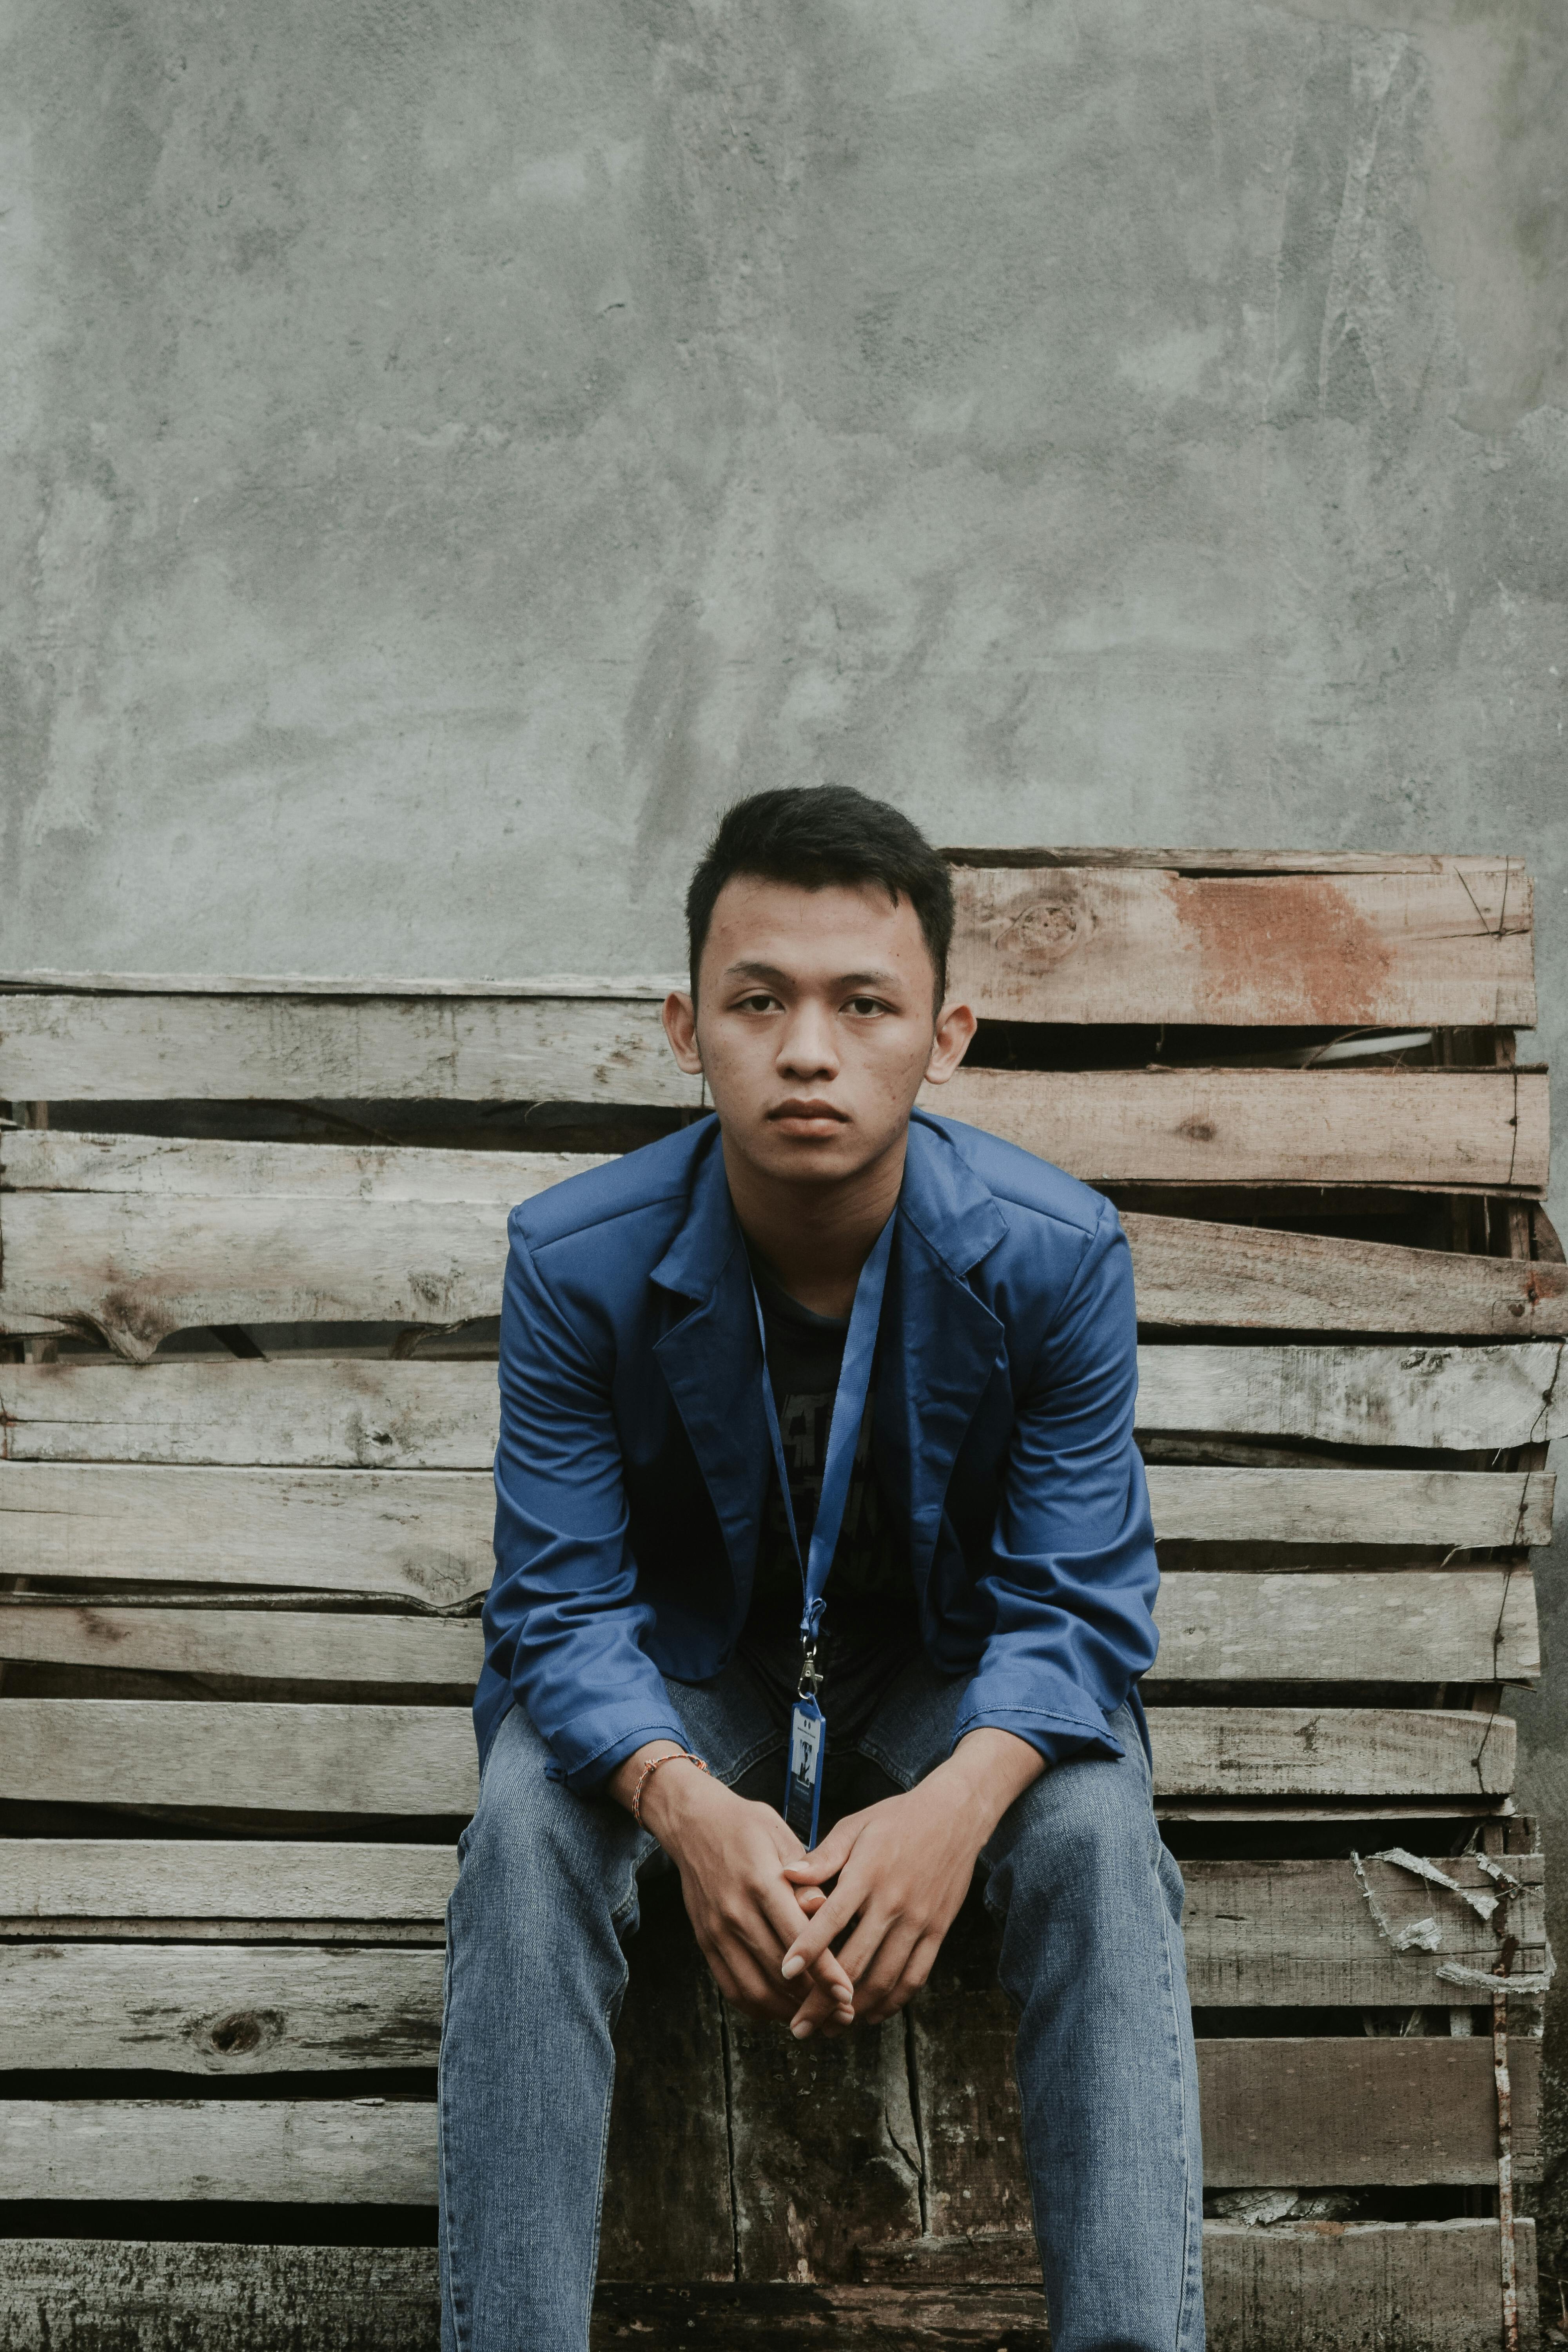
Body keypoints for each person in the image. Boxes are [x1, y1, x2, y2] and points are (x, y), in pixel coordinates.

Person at [438, 786, 1204, 2352]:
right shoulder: (576, 1262)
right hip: (687, 1673)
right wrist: (683, 1802)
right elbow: (559, 1604)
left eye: (864, 1004)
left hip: (945, 1672)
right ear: (683, 1023)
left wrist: (957, 1803)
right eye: (758, 999)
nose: (807, 1049)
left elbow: (1079, 1599)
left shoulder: (1054, 1255)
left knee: (1097, 1831)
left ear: (948, 1034)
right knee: (525, 1826)